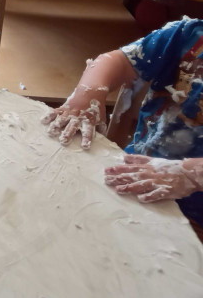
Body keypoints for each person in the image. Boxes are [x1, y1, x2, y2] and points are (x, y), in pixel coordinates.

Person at [43, 17, 203, 227]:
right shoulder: (188, 36)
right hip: (133, 173)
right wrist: (87, 95)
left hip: (195, 217)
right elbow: (117, 62)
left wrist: (192, 174)